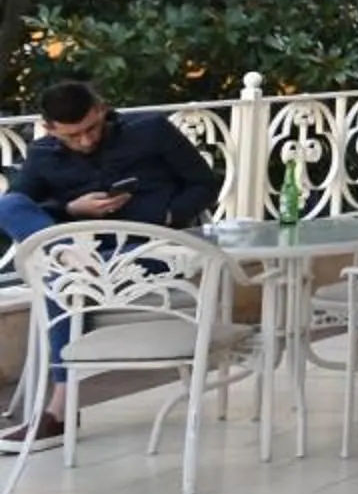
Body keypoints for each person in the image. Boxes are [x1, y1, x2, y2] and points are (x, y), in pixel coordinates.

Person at [0, 81, 226, 448]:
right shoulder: (43, 155)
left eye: (91, 128)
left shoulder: (151, 130)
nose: (86, 141)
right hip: (87, 252)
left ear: (102, 108)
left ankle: (58, 411)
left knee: (60, 279)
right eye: (73, 136)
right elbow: (20, 206)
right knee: (9, 209)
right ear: (50, 127)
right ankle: (71, 259)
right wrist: (70, 210)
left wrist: (168, 214)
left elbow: (203, 184)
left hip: (153, 249)